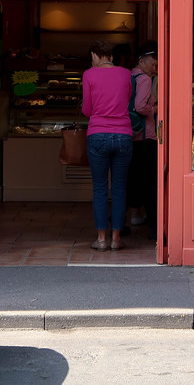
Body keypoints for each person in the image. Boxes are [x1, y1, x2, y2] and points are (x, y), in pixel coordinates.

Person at [81, 40, 134, 251]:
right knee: (120, 188)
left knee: (101, 188)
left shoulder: (89, 74)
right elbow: (129, 101)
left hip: (98, 135)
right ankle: (116, 239)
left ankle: (101, 239)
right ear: (111, 56)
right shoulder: (125, 74)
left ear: (94, 55)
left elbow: (86, 109)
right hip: (123, 134)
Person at [127, 46, 158, 238]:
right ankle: (154, 227)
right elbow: (140, 106)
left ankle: (129, 218)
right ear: (141, 61)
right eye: (153, 64)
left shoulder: (129, 77)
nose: (154, 68)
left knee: (131, 179)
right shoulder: (145, 79)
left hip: (131, 135)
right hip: (145, 136)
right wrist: (154, 109)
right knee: (150, 183)